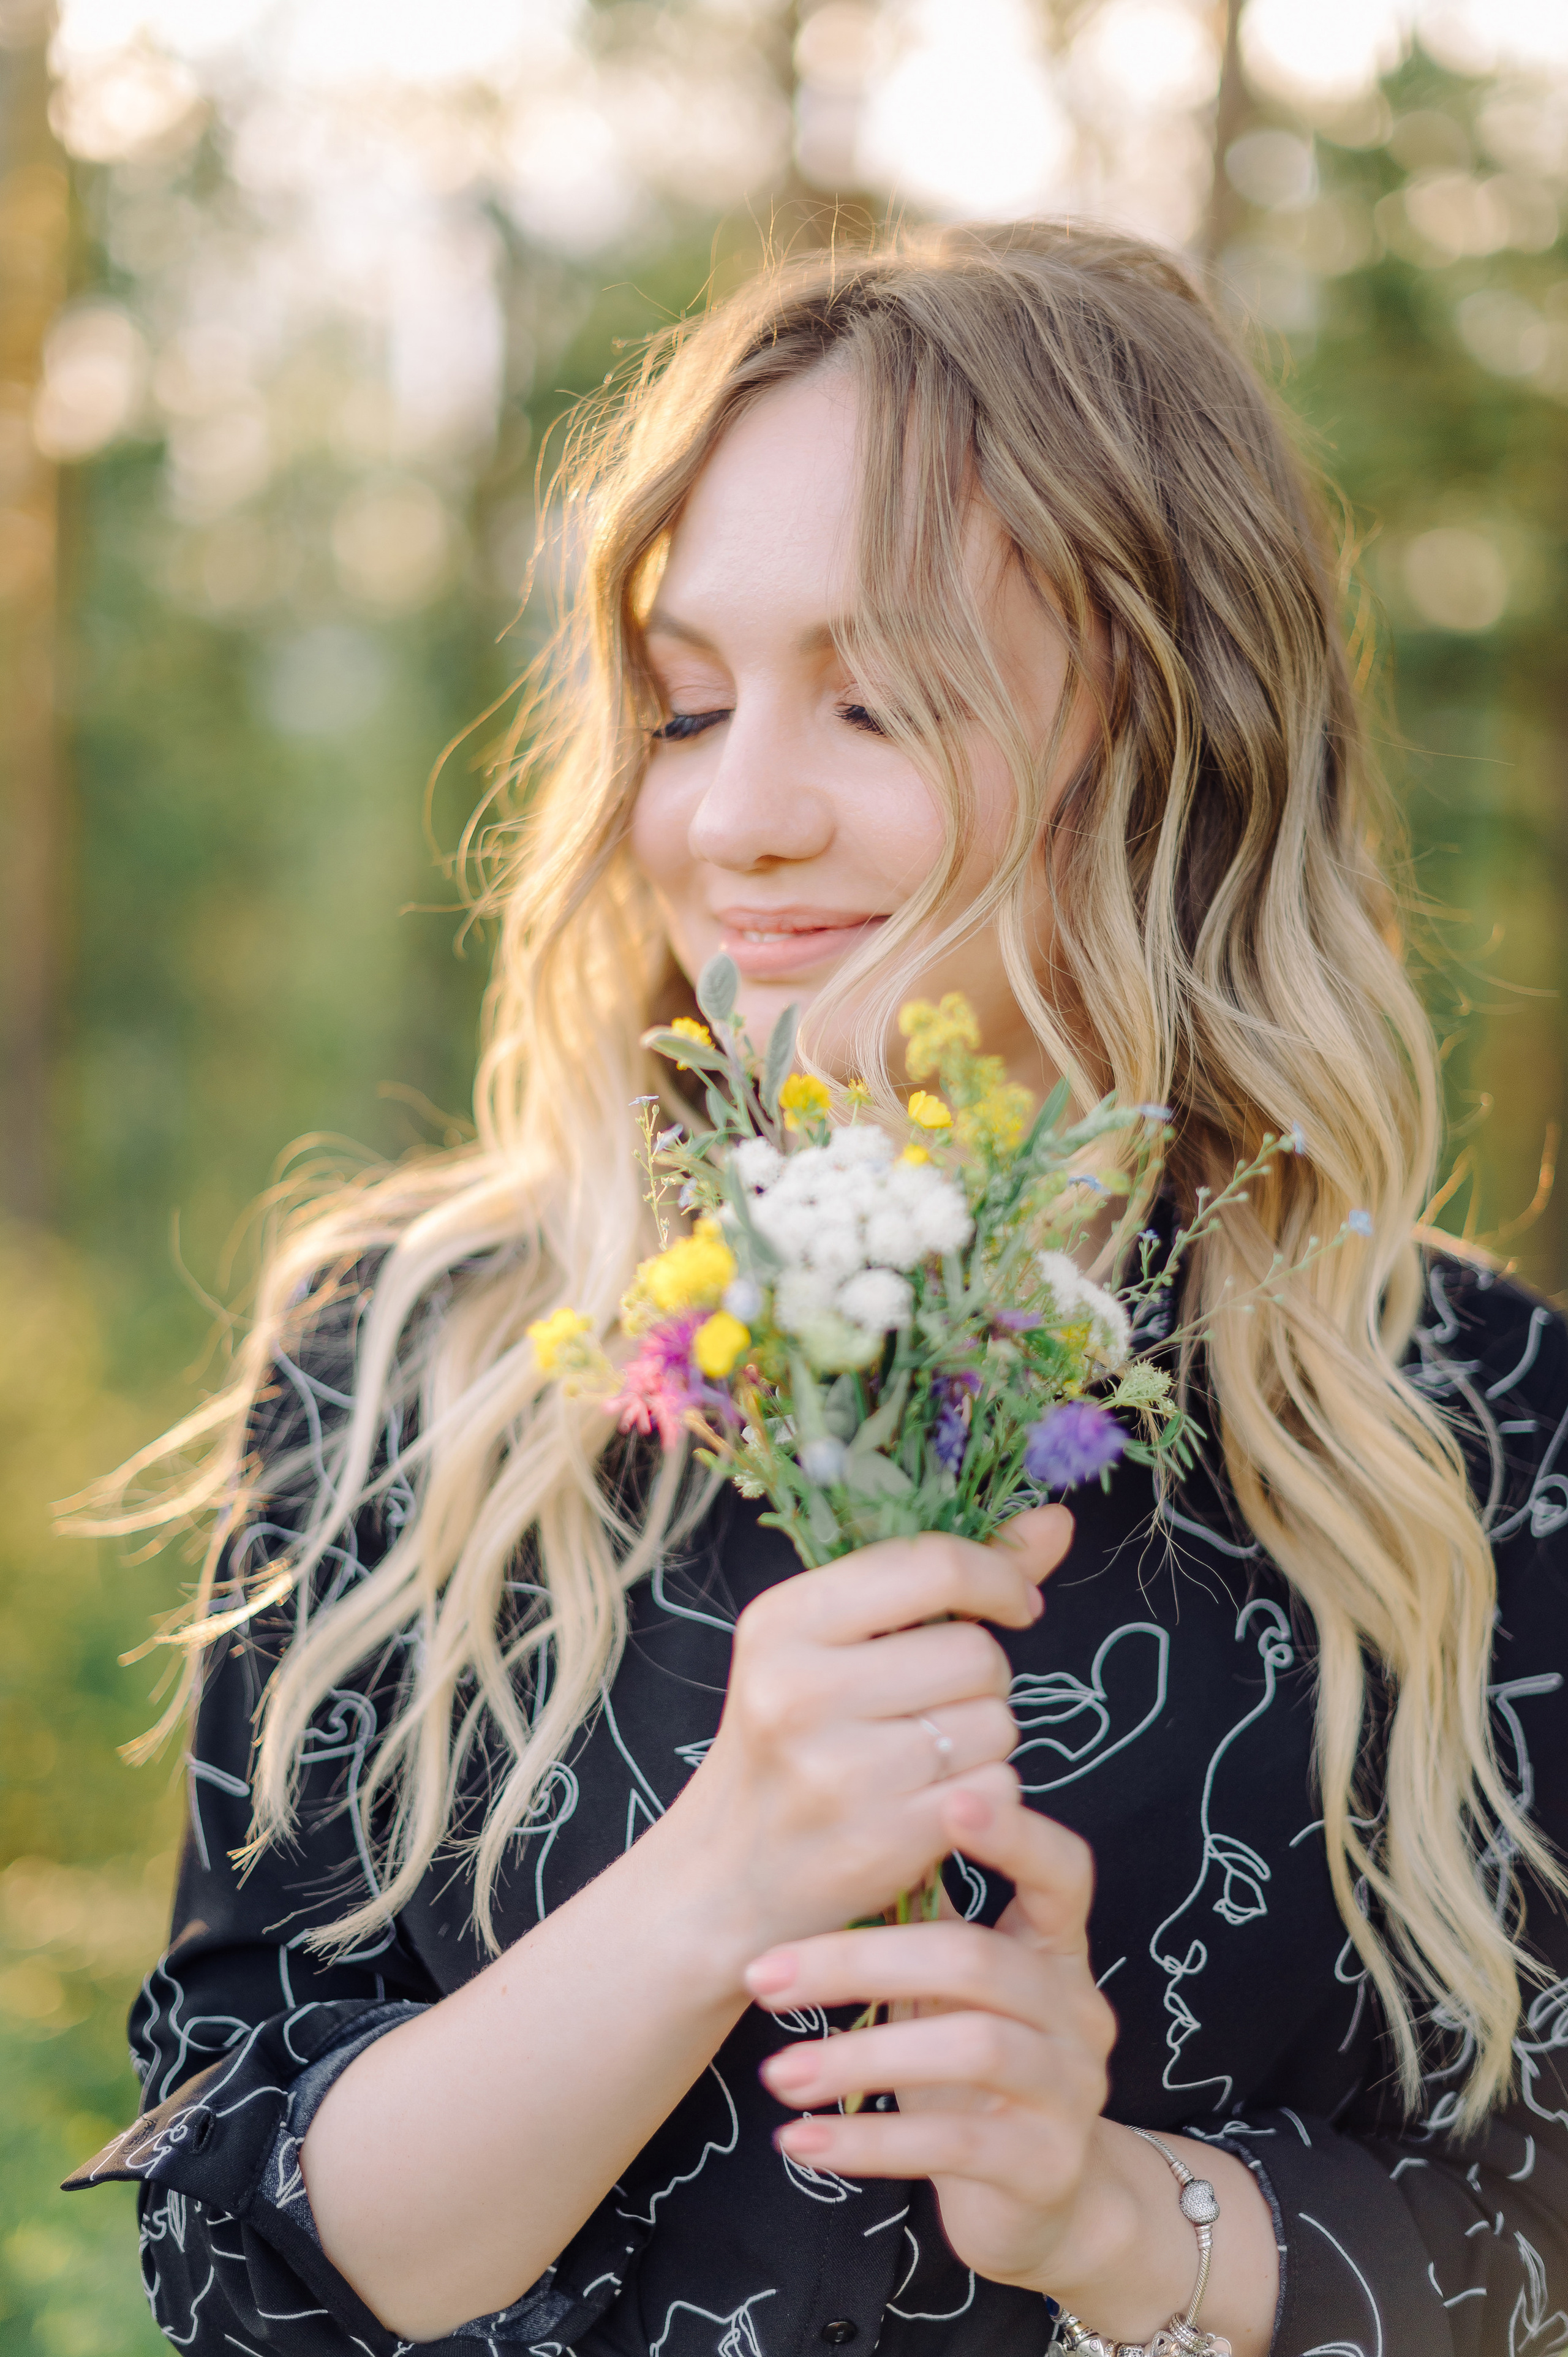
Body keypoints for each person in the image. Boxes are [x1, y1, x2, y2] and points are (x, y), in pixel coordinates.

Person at [66, 222, 1567, 2357]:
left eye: (879, 700)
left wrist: (1129, 2218)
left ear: (1180, 736)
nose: (738, 817)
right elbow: (238, 2260)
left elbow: (1534, 2232)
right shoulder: (418, 1354)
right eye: (686, 705)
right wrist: (714, 1883)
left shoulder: (1478, 1426)